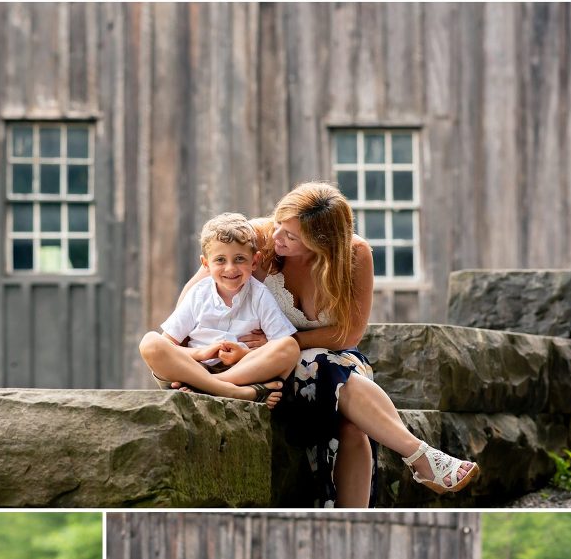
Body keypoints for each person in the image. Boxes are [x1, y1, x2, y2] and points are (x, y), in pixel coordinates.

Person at [173, 182, 478, 507]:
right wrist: (206, 357)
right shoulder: (256, 239)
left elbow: (347, 335)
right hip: (264, 369)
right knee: (326, 372)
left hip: (331, 358)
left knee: (344, 408)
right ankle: (420, 455)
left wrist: (283, 341)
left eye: (291, 236)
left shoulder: (354, 255)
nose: (278, 238)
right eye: (279, 225)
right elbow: (192, 302)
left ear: (323, 242)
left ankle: (358, 515)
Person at [139, 213, 299, 407]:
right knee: (150, 343)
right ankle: (231, 392)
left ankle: (208, 389)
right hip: (195, 369)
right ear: (206, 264)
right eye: (220, 260)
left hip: (243, 371)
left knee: (290, 347)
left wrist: (244, 355)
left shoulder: (259, 295)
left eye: (240, 259)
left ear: (254, 261)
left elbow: (279, 343)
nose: (230, 268)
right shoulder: (199, 293)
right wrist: (201, 354)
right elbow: (169, 345)